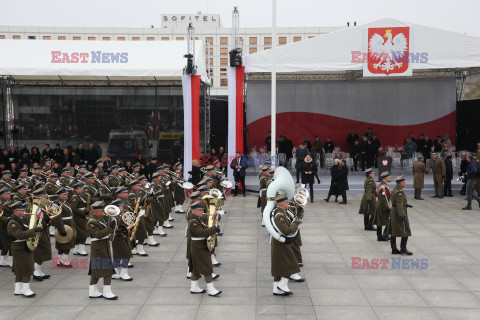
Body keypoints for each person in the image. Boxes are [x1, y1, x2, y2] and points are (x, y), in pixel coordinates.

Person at [187, 201, 222, 296]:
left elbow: (206, 225)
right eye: (200, 210)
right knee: (207, 267)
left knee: (196, 269)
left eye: (202, 209)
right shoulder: (192, 222)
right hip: (198, 247)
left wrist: (213, 217)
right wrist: (213, 229)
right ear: (194, 211)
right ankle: (211, 289)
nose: (202, 211)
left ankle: (194, 287)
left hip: (200, 246)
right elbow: (201, 233)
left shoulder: (198, 219)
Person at [8, 201, 42, 297]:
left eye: (23, 209)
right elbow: (19, 235)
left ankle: (18, 288)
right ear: (15, 211)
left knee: (20, 269)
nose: (23, 211)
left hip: (24, 246)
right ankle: (25, 289)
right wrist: (33, 231)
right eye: (21, 210)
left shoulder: (21, 219)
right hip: (19, 247)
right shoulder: (12, 223)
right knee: (27, 268)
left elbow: (29, 227)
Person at [270, 193, 301, 296]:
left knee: (279, 267)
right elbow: (286, 230)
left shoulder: (282, 212)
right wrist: (295, 224)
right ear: (282, 203)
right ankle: (282, 284)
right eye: (287, 202)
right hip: (281, 243)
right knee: (291, 263)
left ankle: (276, 289)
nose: (288, 203)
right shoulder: (280, 216)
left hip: (280, 243)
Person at [87, 201, 117, 300]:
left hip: (103, 246)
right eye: (101, 211)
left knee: (96, 270)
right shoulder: (92, 222)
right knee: (107, 270)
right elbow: (98, 235)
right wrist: (109, 227)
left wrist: (112, 226)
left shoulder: (101, 218)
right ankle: (107, 291)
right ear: (96, 212)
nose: (103, 212)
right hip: (99, 248)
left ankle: (93, 291)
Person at [388, 176, 413, 255]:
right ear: (400, 183)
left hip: (394, 211)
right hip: (399, 212)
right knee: (406, 230)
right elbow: (399, 204)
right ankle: (403, 248)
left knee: (393, 231)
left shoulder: (396, 190)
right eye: (404, 182)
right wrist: (402, 214)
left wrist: (406, 204)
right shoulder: (399, 192)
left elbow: (398, 202)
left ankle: (394, 248)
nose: (405, 183)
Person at [373, 171, 391, 241]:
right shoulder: (383, 187)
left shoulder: (383, 185)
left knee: (380, 222)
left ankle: (382, 236)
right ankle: (383, 235)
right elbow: (383, 199)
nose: (390, 178)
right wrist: (387, 208)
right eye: (389, 176)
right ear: (385, 177)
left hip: (381, 205)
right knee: (387, 221)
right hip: (382, 206)